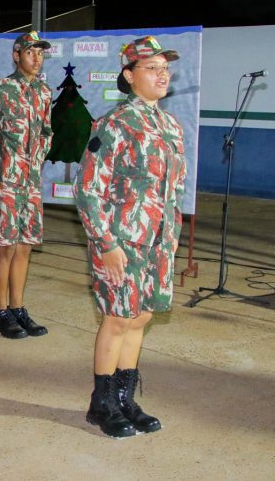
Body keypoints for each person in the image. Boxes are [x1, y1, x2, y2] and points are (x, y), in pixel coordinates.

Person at [75, 36, 186, 438]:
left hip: (158, 243)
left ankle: (124, 398)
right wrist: (107, 244)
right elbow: (87, 189)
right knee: (118, 318)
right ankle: (101, 403)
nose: (162, 74)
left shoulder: (170, 125)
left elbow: (173, 189)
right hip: (122, 241)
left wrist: (172, 235)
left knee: (141, 316)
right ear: (129, 75)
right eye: (152, 68)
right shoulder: (115, 124)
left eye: (165, 68)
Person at [0, 31, 53, 340]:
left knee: (25, 248)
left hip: (30, 184)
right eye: (31, 52)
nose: (37, 58)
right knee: (6, 249)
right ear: (17, 55)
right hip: (5, 183)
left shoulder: (44, 92)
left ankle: (18, 309)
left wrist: (38, 158)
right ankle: (0, 313)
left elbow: (46, 131)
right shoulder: (1, 90)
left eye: (40, 53)